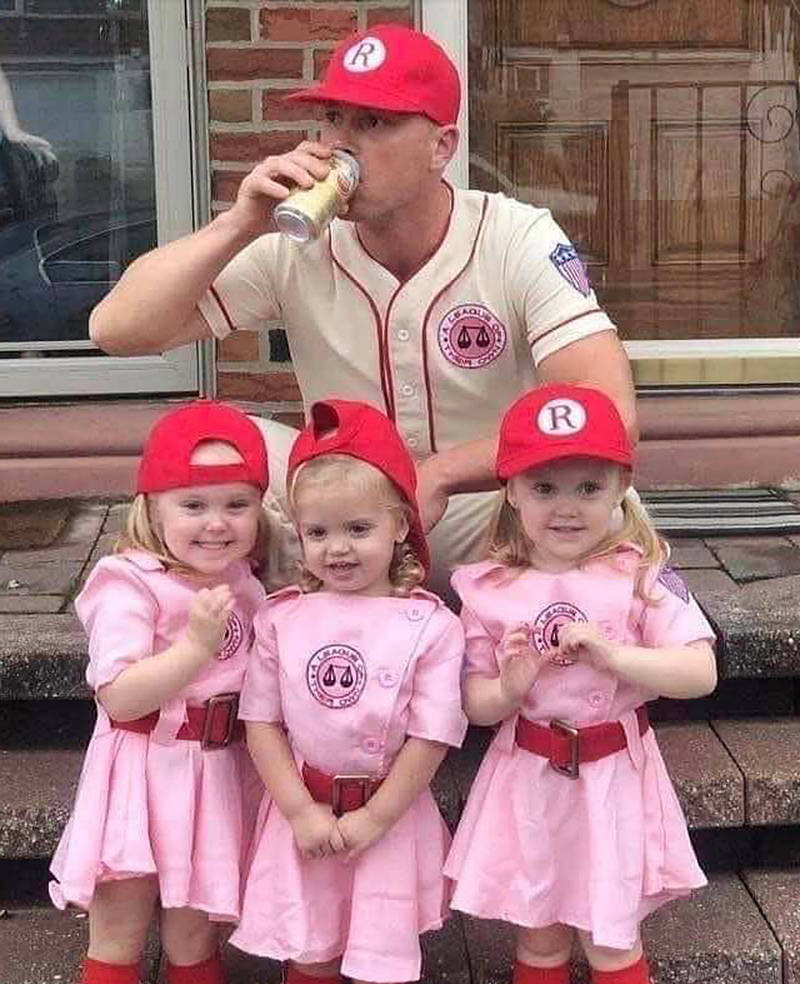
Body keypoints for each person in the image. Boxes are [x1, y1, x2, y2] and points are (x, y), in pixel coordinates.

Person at [87, 23, 637, 593]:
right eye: (334, 120)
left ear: (441, 147)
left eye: (374, 122)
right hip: (344, 522)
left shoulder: (514, 235)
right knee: (218, 450)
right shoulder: (295, 244)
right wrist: (239, 223)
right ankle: (230, 649)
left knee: (600, 497)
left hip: (483, 513)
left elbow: (611, 415)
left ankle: (560, 649)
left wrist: (445, 473)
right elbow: (116, 329)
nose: (343, 144)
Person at [443, 383, 717, 984]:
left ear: (622, 489)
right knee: (538, 936)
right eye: (544, 486)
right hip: (530, 779)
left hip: (612, 781)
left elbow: (698, 672)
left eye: (590, 487)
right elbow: (475, 703)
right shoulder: (488, 589)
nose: (567, 506)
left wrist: (613, 653)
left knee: (612, 936)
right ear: (511, 491)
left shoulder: (640, 574)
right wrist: (512, 686)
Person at [229, 397, 467, 984]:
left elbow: (433, 734)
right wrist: (298, 809)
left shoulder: (431, 624)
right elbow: (260, 720)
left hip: (388, 818)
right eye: (319, 531)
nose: (338, 548)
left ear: (400, 525)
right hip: (304, 811)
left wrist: (375, 817)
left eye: (358, 529)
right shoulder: (281, 618)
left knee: (381, 953)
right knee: (311, 950)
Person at [49, 400, 280, 984]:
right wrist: (193, 650)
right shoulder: (127, 581)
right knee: (120, 927)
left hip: (214, 774)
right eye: (194, 504)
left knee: (196, 927)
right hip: (142, 772)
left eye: (237, 504)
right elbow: (119, 693)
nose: (216, 523)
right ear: (153, 505)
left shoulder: (247, 583)